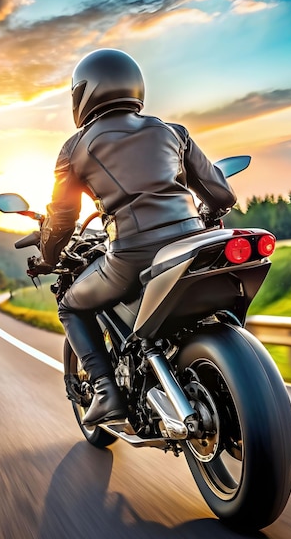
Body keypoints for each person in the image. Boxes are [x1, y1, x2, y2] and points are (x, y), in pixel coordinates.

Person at [37, 48, 237, 426]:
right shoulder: (172, 132)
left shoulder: (75, 148)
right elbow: (221, 195)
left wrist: (48, 257)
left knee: (69, 303)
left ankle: (105, 391)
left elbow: (63, 220)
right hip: (191, 243)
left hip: (133, 254)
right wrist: (206, 215)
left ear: (84, 94)